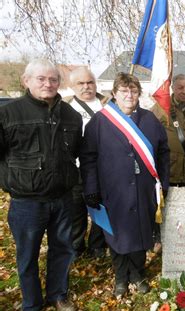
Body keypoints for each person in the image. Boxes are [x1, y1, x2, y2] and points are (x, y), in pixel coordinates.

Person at [0, 59, 81, 311]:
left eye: (53, 79)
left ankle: (58, 294)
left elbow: (76, 153)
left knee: (63, 250)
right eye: (41, 79)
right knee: (27, 255)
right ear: (27, 81)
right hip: (27, 202)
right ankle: (31, 306)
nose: (48, 84)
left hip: (62, 198)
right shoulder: (9, 114)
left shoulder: (71, 116)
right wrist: (9, 182)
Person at [80, 73, 170, 297]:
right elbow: (88, 158)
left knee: (141, 233)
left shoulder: (150, 120)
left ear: (139, 93)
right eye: (123, 91)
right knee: (116, 234)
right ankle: (121, 277)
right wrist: (91, 189)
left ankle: (138, 274)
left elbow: (164, 153)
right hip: (113, 191)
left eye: (133, 91)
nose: (129, 95)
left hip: (144, 190)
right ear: (114, 94)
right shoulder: (100, 122)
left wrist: (164, 183)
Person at [65, 67, 108, 258]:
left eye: (89, 82)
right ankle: (76, 247)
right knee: (76, 211)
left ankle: (97, 246)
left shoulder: (108, 104)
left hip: (102, 168)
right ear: (72, 86)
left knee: (100, 207)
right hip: (75, 169)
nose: (86, 87)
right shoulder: (64, 109)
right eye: (80, 83)